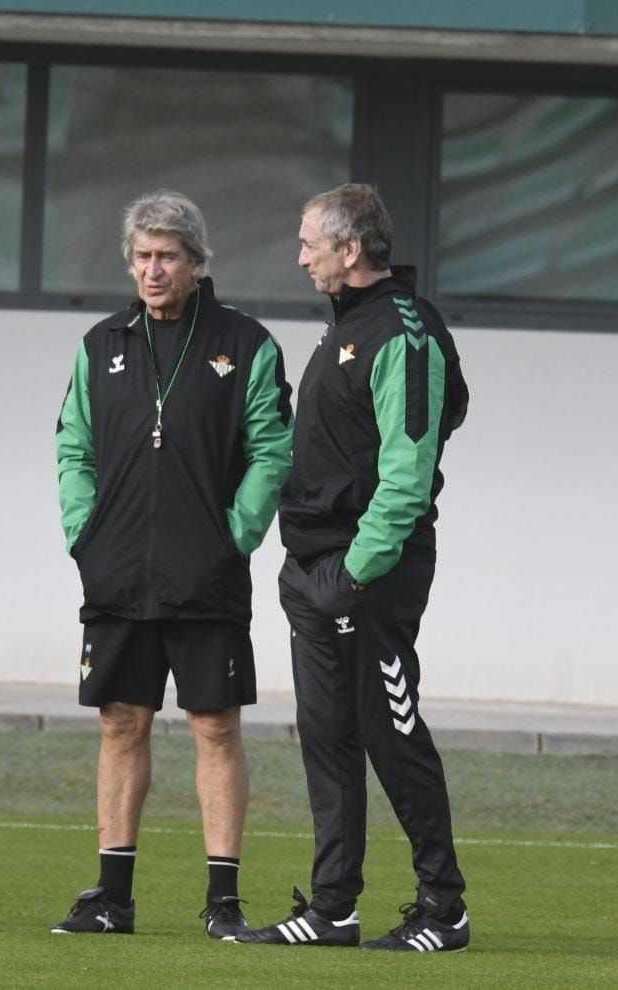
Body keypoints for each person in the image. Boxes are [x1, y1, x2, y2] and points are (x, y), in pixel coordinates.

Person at [50, 190, 293, 938]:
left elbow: (271, 451)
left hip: (205, 575)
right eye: (142, 257)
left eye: (168, 257)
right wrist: (84, 533)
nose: (153, 270)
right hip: (117, 575)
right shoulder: (100, 346)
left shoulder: (247, 345)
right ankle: (111, 899)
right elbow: (71, 449)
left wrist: (234, 536)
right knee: (121, 724)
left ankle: (222, 905)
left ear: (196, 264)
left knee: (214, 728)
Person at [237, 184, 470, 952]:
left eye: (310, 243)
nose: (300, 257)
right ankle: (333, 907)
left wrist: (356, 571)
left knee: (390, 732)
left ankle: (445, 909)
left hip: (367, 576)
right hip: (311, 570)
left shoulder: (403, 333)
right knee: (326, 738)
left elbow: (408, 471)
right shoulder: (344, 327)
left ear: (351, 248)